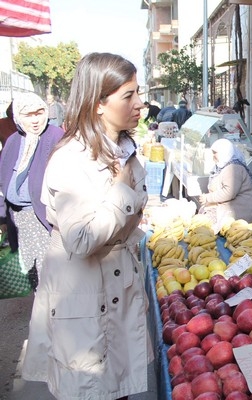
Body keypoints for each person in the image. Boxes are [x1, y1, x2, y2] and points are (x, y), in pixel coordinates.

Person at [21, 53, 151, 400]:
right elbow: (81, 239)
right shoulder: (71, 159)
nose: (140, 104)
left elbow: (123, 219)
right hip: (84, 302)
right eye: (129, 96)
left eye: (139, 93)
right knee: (92, 390)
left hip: (115, 291)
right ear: (98, 104)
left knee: (117, 388)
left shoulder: (124, 149)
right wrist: (123, 189)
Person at [0, 93, 64, 288]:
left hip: (43, 218)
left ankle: (49, 313)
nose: (35, 120)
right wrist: (3, 215)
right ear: (18, 118)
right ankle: (40, 307)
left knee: (49, 272)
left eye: (39, 113)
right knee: (31, 270)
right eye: (28, 115)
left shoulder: (55, 136)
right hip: (19, 219)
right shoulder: (13, 140)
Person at [199, 138, 252, 230]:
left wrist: (208, 198)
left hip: (242, 209)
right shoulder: (223, 165)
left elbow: (229, 192)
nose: (213, 155)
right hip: (230, 205)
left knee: (207, 221)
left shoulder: (233, 168)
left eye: (215, 152)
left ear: (225, 152)